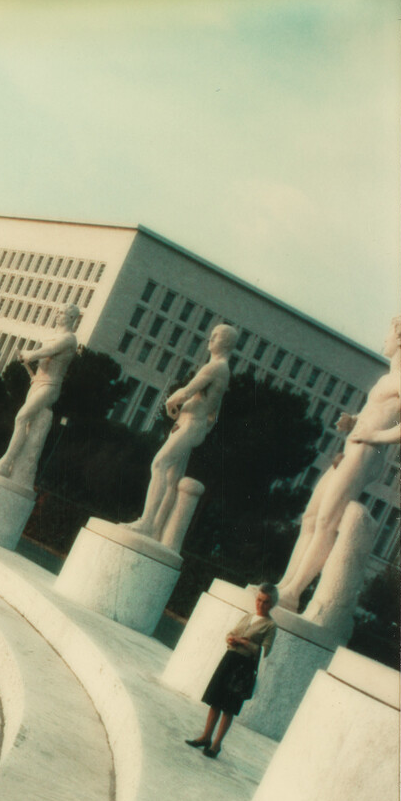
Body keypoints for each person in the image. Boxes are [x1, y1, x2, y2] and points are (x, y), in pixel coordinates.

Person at [276, 315, 401, 610]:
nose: (383, 340)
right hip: (348, 451)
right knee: (310, 517)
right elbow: (377, 412)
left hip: (363, 455)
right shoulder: (388, 379)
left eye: (387, 334)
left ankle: (293, 593)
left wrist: (375, 434)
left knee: (326, 522)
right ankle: (285, 584)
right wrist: (355, 421)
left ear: (400, 339)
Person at [128, 323, 238, 539]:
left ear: (225, 342)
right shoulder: (223, 370)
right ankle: (155, 529)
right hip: (191, 425)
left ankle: (147, 522)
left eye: (215, 335)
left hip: (189, 425)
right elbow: (214, 413)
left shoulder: (214, 367)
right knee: (172, 478)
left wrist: (171, 403)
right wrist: (202, 427)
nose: (210, 338)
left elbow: (185, 392)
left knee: (159, 464)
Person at [0, 303, 81, 484]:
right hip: (36, 382)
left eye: (62, 313)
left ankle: (5, 463)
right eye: (58, 311)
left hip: (51, 385)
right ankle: (10, 466)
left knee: (21, 417)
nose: (58, 314)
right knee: (26, 423)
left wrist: (30, 354)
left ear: (71, 318)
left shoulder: (70, 338)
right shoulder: (52, 335)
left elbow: (48, 351)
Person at [186, 584, 278, 758]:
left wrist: (245, 643)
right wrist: (231, 639)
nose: (260, 604)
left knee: (229, 706)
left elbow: (265, 651)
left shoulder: (270, 626)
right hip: (229, 660)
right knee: (215, 700)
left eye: (265, 602)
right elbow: (232, 633)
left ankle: (216, 744)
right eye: (258, 600)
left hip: (243, 667)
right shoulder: (248, 617)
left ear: (271, 604)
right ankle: (206, 736)